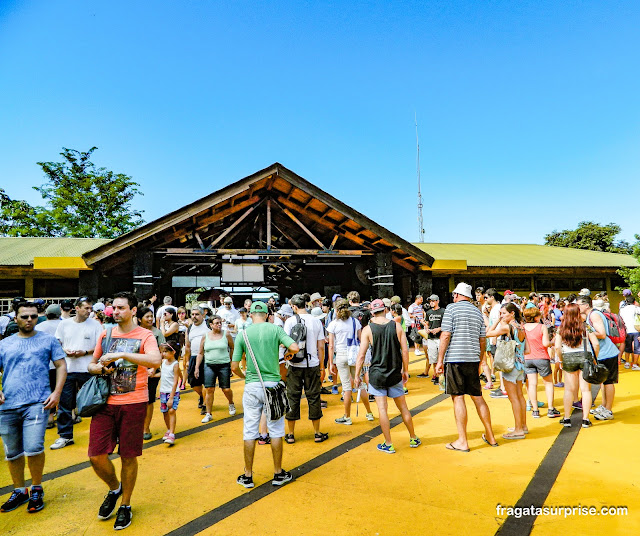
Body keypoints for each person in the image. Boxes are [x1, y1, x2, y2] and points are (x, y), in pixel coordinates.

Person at [87, 292, 161, 530]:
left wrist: (122, 354)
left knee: (128, 456)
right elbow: (91, 364)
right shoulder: (106, 333)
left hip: (134, 403)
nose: (115, 312)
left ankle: (126, 504)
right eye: (113, 308)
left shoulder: (145, 335)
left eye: (120, 308)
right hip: (105, 403)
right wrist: (100, 369)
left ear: (133, 310)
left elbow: (155, 360)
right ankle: (114, 488)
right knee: (96, 455)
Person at [0, 301, 67, 513]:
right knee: (12, 452)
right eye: (25, 316)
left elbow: (61, 365)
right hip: (7, 404)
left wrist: (56, 393)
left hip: (37, 403)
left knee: (34, 447)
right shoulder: (5, 343)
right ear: (16, 318)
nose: (29, 320)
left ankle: (36, 487)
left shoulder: (48, 340)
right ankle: (19, 490)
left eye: (33, 316)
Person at [231, 301, 299, 488]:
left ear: (251, 315)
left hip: (252, 386)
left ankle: (248, 475)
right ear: (268, 315)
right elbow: (295, 348)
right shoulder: (275, 330)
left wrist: (245, 377)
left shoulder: (243, 334)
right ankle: (278, 473)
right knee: (276, 430)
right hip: (274, 385)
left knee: (250, 431)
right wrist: (285, 355)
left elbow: (234, 366)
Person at [435, 283, 497, 451]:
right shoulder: (477, 311)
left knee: (458, 397)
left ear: (456, 295)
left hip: (455, 358)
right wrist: (480, 360)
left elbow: (446, 335)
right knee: (478, 397)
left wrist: (440, 360)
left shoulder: (451, 309)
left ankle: (463, 441)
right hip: (472, 359)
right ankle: (490, 435)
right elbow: (482, 339)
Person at [353, 299, 419, 453]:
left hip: (376, 375)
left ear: (371, 312)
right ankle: (413, 437)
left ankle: (388, 443)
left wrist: (357, 375)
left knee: (383, 410)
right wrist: (405, 370)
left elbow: (361, 356)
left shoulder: (367, 330)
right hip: (395, 373)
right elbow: (404, 350)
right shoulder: (396, 326)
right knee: (403, 408)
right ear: (386, 310)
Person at [48, 297, 103, 450]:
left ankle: (99, 435)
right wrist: (65, 350)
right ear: (77, 308)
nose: (89, 311)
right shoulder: (64, 324)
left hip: (88, 369)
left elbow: (100, 345)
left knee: (95, 403)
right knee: (65, 404)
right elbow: (57, 342)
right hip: (68, 369)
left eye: (90, 308)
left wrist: (85, 352)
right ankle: (65, 436)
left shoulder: (95, 325)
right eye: (86, 308)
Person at [283, 294, 328, 443]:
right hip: (312, 364)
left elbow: (285, 344)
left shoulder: (289, 321)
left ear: (294, 307)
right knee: (314, 397)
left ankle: (290, 434)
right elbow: (321, 346)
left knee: (292, 398)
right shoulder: (316, 321)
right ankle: (317, 433)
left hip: (295, 365)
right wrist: (322, 367)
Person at [486, 304, 530, 439]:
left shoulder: (507, 327)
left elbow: (488, 333)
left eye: (503, 313)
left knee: (513, 398)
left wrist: (497, 321)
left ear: (512, 313)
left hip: (510, 365)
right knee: (520, 396)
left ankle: (518, 430)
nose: (501, 316)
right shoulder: (521, 327)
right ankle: (523, 425)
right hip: (520, 365)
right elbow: (527, 350)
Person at [327, 299, 374, 424]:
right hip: (354, 355)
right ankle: (369, 413)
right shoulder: (355, 322)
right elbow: (360, 340)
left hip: (341, 355)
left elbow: (331, 346)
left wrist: (331, 363)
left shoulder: (333, 324)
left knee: (347, 387)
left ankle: (347, 416)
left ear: (336, 310)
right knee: (360, 383)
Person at [554, 303, 600, 427]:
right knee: (585, 390)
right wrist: (594, 358)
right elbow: (595, 344)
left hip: (568, 357)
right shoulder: (585, 326)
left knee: (569, 390)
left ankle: (567, 418)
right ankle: (585, 419)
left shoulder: (561, 328)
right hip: (585, 356)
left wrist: (561, 359)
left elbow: (557, 346)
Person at [578, 295, 620, 421]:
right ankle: (604, 406)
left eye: (579, 304)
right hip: (602, 353)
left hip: (607, 352)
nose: (577, 307)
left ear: (586, 305)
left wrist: (586, 331)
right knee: (603, 381)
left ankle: (608, 409)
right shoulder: (591, 315)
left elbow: (601, 334)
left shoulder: (594, 315)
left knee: (608, 382)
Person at [196, 315, 236, 423]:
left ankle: (231, 403)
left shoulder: (226, 334)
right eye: (216, 323)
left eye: (220, 323)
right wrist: (197, 367)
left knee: (226, 388)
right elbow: (200, 353)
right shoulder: (205, 336)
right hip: (209, 364)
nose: (219, 325)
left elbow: (232, 347)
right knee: (209, 389)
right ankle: (208, 413)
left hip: (224, 364)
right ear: (211, 325)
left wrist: (232, 361)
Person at [523, 307, 559, 418]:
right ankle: (550, 409)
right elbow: (545, 343)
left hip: (527, 358)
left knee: (532, 384)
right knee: (548, 383)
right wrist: (553, 341)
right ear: (536, 317)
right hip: (542, 357)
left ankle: (535, 410)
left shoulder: (522, 328)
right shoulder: (541, 327)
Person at [136, 307, 166, 441]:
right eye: (146, 316)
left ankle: (145, 428)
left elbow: (162, 351)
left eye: (151, 316)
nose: (150, 319)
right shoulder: (134, 332)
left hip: (152, 371)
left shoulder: (157, 333)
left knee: (149, 400)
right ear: (139, 319)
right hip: (135, 370)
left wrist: (155, 367)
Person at [184, 306, 210, 414]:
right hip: (194, 357)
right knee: (193, 383)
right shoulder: (189, 328)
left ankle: (205, 404)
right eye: (193, 314)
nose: (194, 317)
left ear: (202, 314)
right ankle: (202, 396)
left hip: (207, 356)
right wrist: (187, 360)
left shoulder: (208, 325)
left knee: (206, 382)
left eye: (197, 314)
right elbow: (187, 346)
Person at [417, 294, 444, 384]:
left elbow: (446, 324)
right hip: (431, 338)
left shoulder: (443, 311)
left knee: (441, 357)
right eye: (430, 301)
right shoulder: (428, 313)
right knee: (433, 358)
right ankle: (436, 375)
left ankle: (441, 375)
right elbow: (427, 323)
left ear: (437, 301)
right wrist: (427, 329)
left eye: (433, 301)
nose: (431, 303)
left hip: (440, 337)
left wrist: (439, 329)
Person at [159, 341, 181, 445]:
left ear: (173, 352)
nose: (163, 354)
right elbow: (163, 375)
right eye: (162, 352)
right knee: (164, 411)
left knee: (171, 410)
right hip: (163, 391)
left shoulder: (175, 364)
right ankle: (168, 429)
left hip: (172, 392)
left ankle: (172, 433)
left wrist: (171, 397)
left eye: (165, 352)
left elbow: (175, 381)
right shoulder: (163, 363)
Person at [619, 294, 640, 370]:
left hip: (626, 330)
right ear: (634, 302)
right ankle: (634, 364)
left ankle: (627, 363)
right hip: (636, 330)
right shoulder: (636, 308)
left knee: (627, 347)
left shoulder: (622, 310)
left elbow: (620, 319)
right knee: (637, 347)